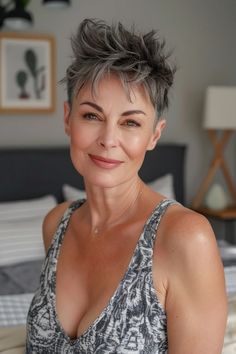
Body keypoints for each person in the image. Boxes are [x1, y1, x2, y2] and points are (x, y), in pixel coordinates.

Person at [26, 18, 227, 353]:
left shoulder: (185, 238)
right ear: (67, 118)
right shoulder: (56, 224)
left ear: (154, 135)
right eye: (91, 116)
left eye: (130, 122)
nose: (108, 140)